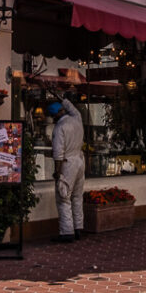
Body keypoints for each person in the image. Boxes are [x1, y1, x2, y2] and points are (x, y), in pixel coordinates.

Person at [48, 95, 85, 243]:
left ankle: (66, 232)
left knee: (63, 198)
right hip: (80, 161)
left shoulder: (60, 127)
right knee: (77, 196)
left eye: (52, 115)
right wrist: (61, 97)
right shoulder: (77, 118)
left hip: (68, 163)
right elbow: (72, 108)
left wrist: (57, 172)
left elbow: (58, 153)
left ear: (56, 114)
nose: (52, 118)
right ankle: (78, 228)